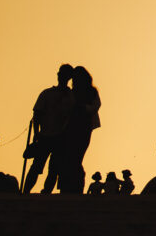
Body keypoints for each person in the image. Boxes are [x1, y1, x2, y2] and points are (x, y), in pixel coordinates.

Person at [24, 64, 75, 193]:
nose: (60, 76)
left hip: (61, 138)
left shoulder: (71, 97)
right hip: (45, 136)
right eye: (60, 74)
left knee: (54, 169)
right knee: (36, 166)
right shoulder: (47, 93)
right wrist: (37, 134)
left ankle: (46, 192)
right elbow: (37, 115)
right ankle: (26, 191)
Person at [58, 66, 101, 194]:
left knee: (75, 158)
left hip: (83, 128)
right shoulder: (72, 92)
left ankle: (75, 186)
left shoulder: (91, 92)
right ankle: (68, 186)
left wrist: (81, 107)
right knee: (69, 158)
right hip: (70, 128)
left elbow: (95, 106)